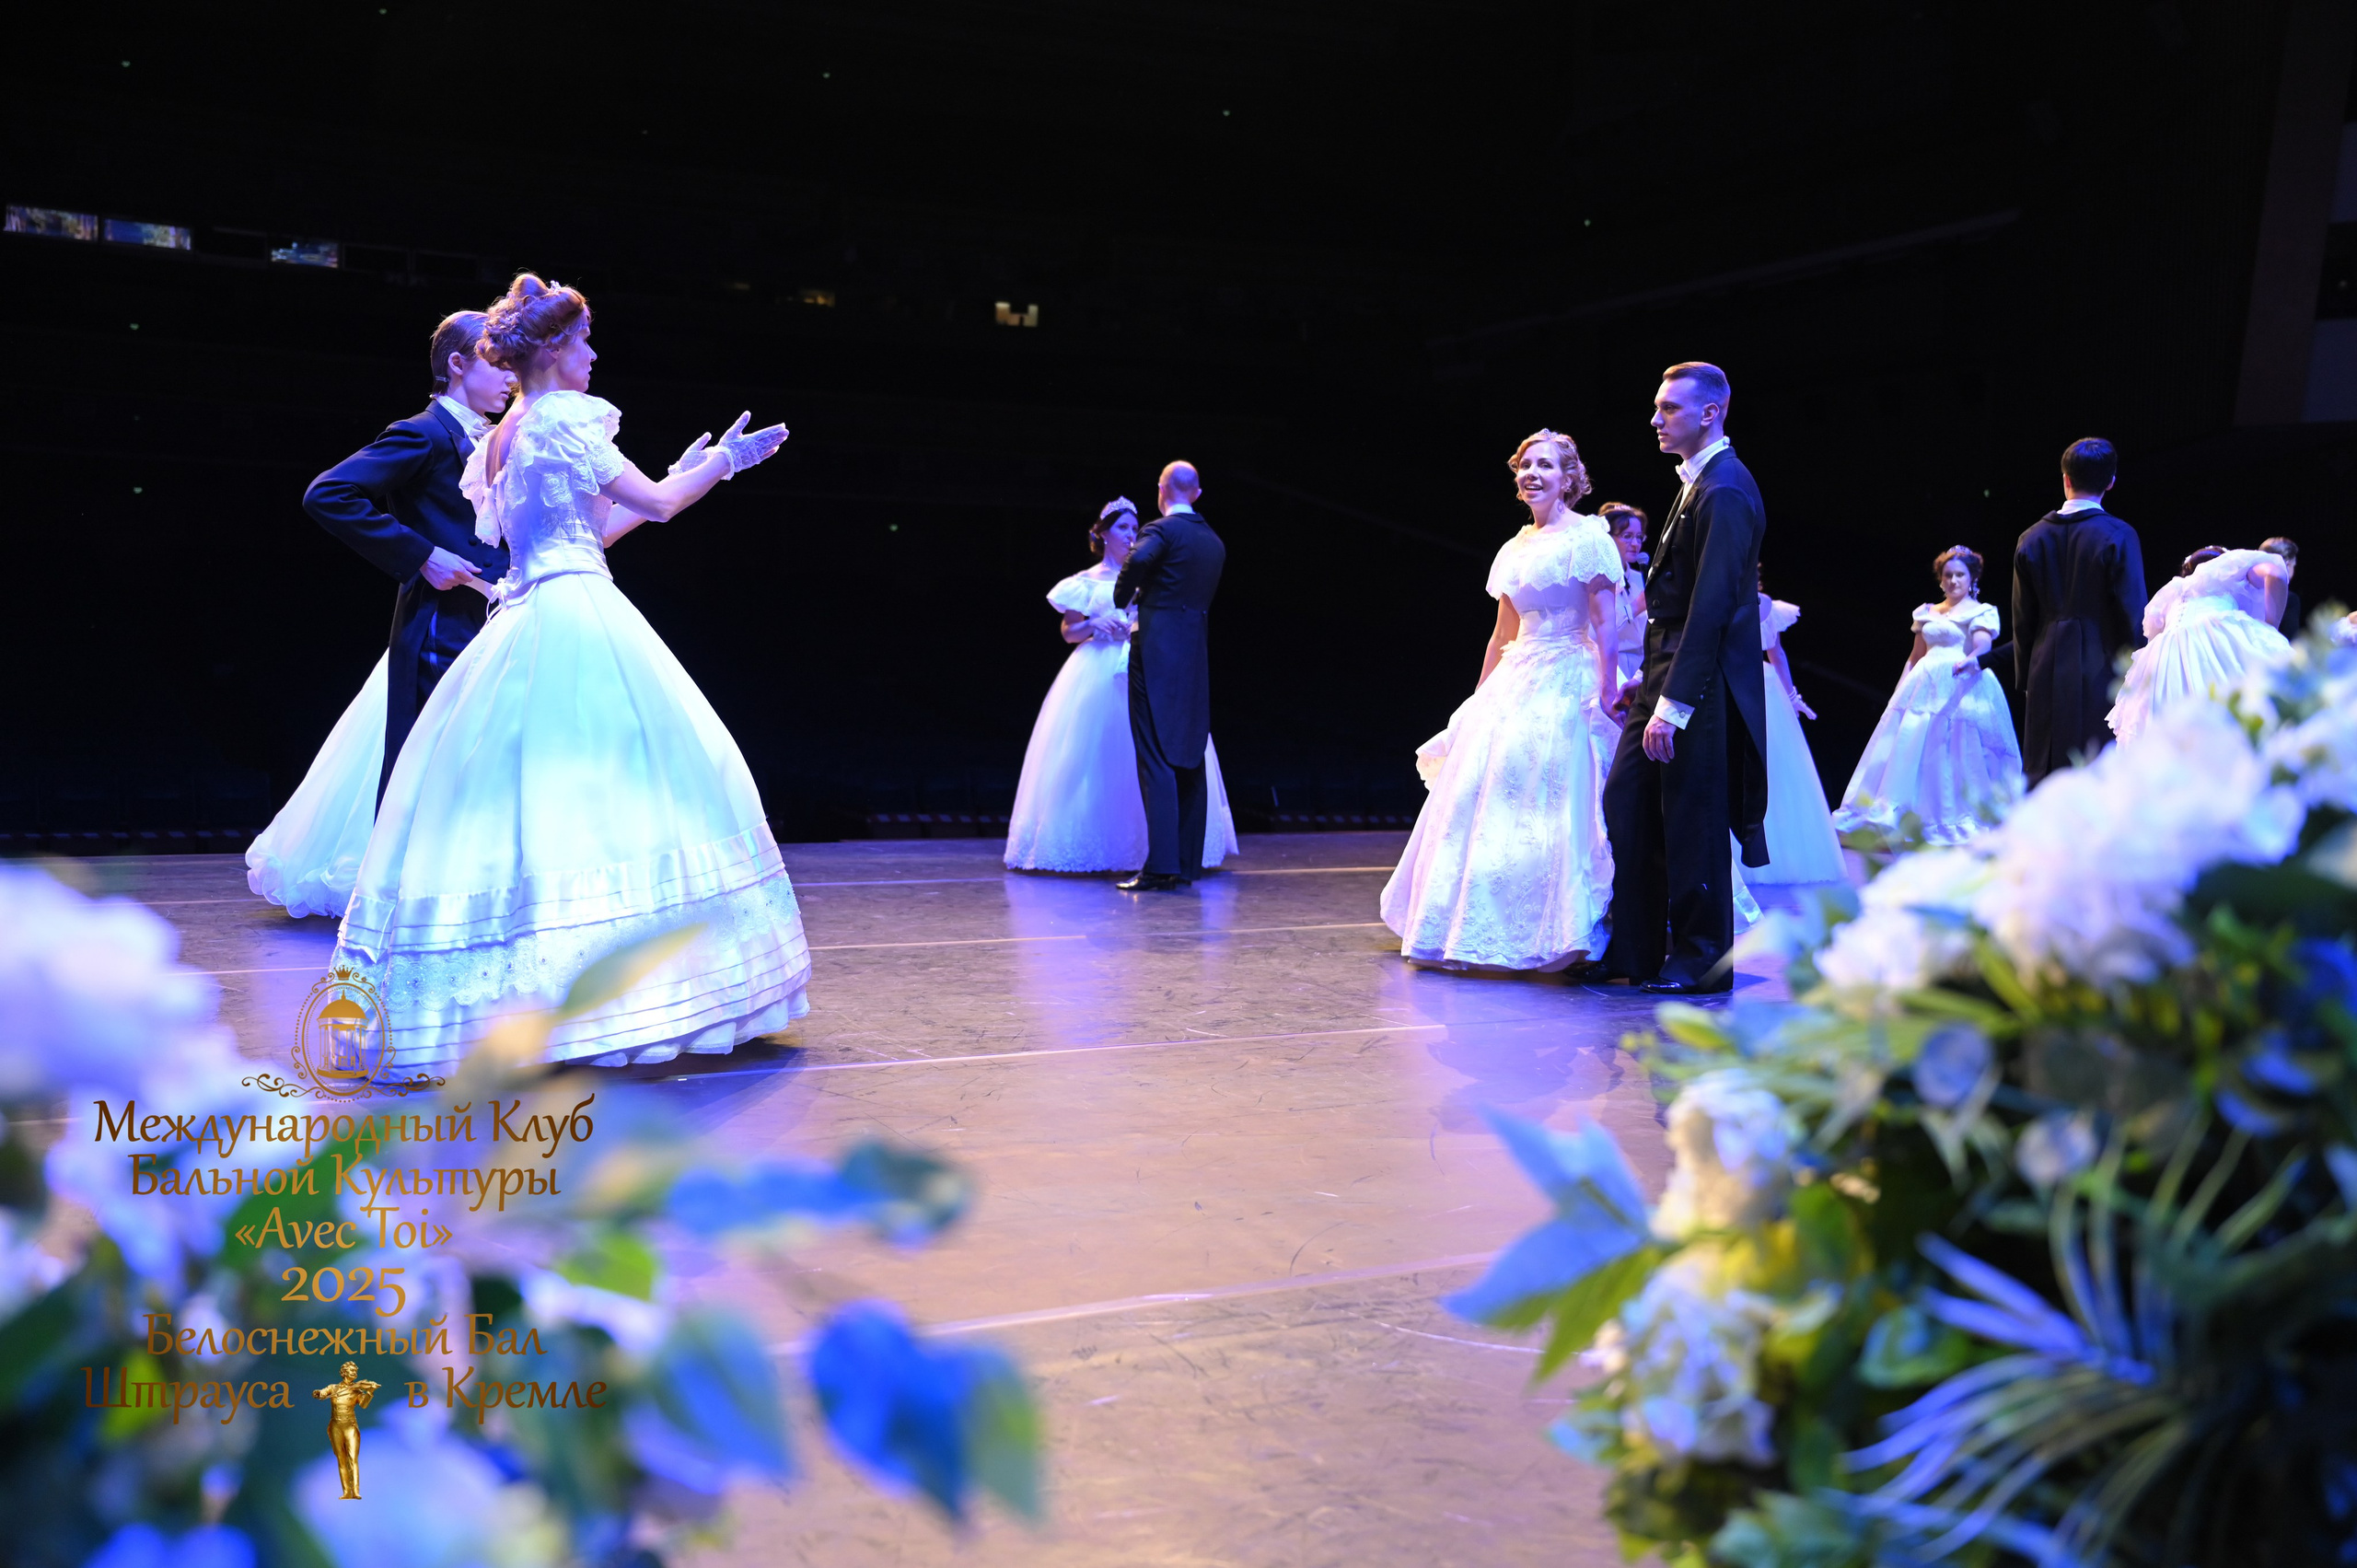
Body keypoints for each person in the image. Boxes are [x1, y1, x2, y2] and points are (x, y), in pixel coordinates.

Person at [332, 274, 806, 1067]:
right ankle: (619, 994)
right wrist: (724, 462)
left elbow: (595, 528)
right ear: (552, 349)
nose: (592, 355)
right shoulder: (562, 419)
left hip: (530, 609)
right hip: (573, 615)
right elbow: (656, 505)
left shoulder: (504, 437)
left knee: (532, 797)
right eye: (584, 340)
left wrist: (683, 470)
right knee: (619, 786)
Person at [1380, 430, 1620, 970]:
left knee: (1556, 799)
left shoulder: (1589, 538)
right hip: (1518, 675)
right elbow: (1502, 633)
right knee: (1492, 799)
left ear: (1569, 478)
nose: (1532, 473)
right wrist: (1477, 699)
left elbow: (1606, 623)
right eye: (1525, 465)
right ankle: (1477, 923)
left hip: (1568, 672)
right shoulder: (1513, 548)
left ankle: (1565, 926)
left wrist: (1608, 690)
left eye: (1546, 465)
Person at [1595, 364, 1767, 995]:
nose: (1656, 419)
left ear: (1710, 413)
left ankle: (1702, 960)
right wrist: (1647, 675)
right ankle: (1637, 948)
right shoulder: (1699, 483)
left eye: (1669, 408)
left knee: (1693, 815)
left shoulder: (1725, 489)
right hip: (1666, 665)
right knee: (1629, 799)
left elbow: (1712, 606)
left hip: (1702, 679)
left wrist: (1674, 702)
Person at [304, 309, 514, 803]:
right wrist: (422, 554)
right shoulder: (423, 432)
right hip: (441, 621)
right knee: (429, 770)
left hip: (489, 617)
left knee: (481, 766)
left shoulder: (494, 439)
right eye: (500, 364)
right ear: (458, 363)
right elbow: (328, 493)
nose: (512, 378)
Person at [1004, 498, 1238, 873]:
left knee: (1152, 754)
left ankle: (1163, 848)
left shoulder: (1150, 575)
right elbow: (1069, 631)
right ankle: (1098, 843)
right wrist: (1094, 625)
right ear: (1103, 534)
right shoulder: (1084, 581)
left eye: (1134, 528)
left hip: (1146, 664)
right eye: (1123, 528)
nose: (1131, 535)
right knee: (1094, 754)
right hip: (1096, 670)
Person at [1835, 547, 2024, 843]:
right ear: (1940, 579)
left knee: (1954, 748)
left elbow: (1982, 646)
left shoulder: (1980, 611)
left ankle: (1951, 816)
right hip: (1924, 685)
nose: (1953, 580)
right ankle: (1902, 817)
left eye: (1959, 575)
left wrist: (1969, 662)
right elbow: (1915, 656)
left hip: (1961, 683)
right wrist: (1900, 689)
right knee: (1911, 746)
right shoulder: (1927, 612)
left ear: (1972, 578)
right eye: (1948, 575)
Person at [1113, 462, 1226, 891]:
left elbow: (1139, 559)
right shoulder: (1212, 540)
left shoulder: (1160, 530)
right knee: (1189, 752)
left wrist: (1124, 595)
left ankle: (1161, 867)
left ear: (1161, 490)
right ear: (1196, 493)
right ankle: (1184, 865)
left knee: (1155, 754)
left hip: (1155, 648)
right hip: (1193, 652)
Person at [2010, 437, 2147, 782]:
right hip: (2101, 665)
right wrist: (2138, 674)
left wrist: (2026, 677)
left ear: (2066, 478)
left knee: (2043, 767)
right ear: (2111, 482)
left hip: (2044, 664)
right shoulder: (2119, 534)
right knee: (2095, 764)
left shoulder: (2030, 537)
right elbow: (2133, 614)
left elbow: (2022, 618)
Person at [2106, 545, 2291, 744]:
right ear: (2224, 560)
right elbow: (2276, 573)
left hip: (2164, 662)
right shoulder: (2227, 569)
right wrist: (2270, 629)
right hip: (2215, 642)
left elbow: (2154, 631)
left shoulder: (2169, 593)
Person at [1750, 569, 1845, 883]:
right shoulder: (1720, 600)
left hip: (1763, 687)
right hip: (1738, 681)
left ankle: (1780, 851)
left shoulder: (1767, 606)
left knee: (1776, 765)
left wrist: (1792, 697)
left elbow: (1776, 653)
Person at [1600, 501, 1650, 689]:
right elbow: (1593, 630)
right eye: (1627, 536)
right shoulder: (1597, 581)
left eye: (1639, 537)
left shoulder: (1641, 578)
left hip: (1642, 667)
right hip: (1610, 665)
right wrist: (1635, 607)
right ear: (1608, 538)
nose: (1635, 544)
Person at [2261, 536, 2304, 635]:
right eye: (2293, 565)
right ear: (2287, 565)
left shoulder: (2246, 588)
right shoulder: (2290, 598)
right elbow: (2290, 635)